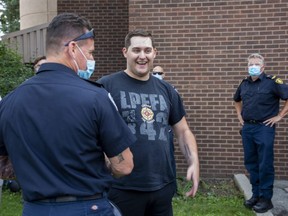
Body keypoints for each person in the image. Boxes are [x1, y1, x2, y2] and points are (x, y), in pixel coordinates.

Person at [0, 12, 136, 216]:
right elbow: (124, 166)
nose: (91, 59)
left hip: (35, 209)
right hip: (87, 208)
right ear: (73, 48)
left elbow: (3, 165)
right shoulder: (96, 97)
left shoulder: (10, 101)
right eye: (90, 53)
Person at [97, 29, 199, 216]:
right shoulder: (106, 86)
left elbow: (183, 130)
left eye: (147, 50)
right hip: (122, 187)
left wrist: (194, 161)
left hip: (162, 186)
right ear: (125, 52)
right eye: (136, 50)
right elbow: (95, 132)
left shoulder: (167, 90)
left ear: (154, 53)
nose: (142, 56)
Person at [234, 53, 288, 213]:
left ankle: (266, 199)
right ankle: (256, 195)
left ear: (263, 67)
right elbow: (236, 100)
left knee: (264, 164)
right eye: (251, 64)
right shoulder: (244, 84)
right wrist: (239, 115)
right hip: (248, 129)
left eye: (257, 64)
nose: (253, 66)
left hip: (264, 128)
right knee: (251, 163)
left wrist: (280, 116)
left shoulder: (272, 83)